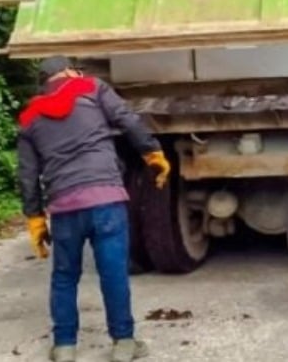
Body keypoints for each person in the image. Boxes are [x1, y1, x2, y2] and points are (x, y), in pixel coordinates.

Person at [17, 56, 172, 362]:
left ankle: (64, 346)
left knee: (64, 276)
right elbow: (128, 121)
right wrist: (152, 153)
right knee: (113, 273)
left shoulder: (29, 117)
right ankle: (123, 343)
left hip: (64, 206)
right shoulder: (92, 87)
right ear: (70, 71)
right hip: (106, 199)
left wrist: (35, 218)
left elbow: (26, 174)